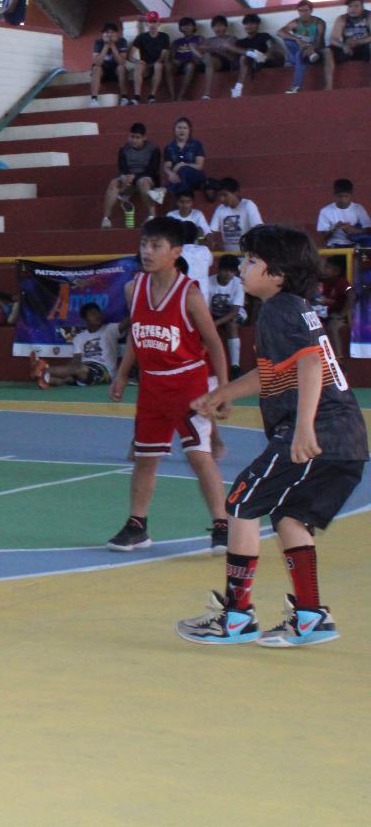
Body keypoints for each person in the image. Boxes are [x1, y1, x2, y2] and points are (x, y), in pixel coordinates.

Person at [176, 225, 366, 647]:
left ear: (276, 273)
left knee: (241, 501)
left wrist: (302, 430)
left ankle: (237, 616)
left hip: (318, 431)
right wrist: (223, 392)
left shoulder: (280, 310)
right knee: (288, 517)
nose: (242, 267)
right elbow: (274, 374)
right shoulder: (293, 309)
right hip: (346, 439)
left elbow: (312, 365)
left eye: (250, 261)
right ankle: (310, 616)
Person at [106, 217, 230, 554]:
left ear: (175, 252)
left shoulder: (188, 294)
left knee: (199, 456)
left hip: (189, 384)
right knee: (145, 457)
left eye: (155, 245)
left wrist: (222, 390)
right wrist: (121, 373)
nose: (147, 251)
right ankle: (137, 525)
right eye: (144, 244)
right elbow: (137, 333)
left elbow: (214, 343)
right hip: (152, 387)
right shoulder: (134, 289)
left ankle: (222, 524)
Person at [29, 303, 119, 388]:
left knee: (78, 370)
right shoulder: (79, 337)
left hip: (103, 370)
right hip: (83, 369)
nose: (97, 316)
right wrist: (70, 369)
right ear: (85, 319)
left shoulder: (111, 329)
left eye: (97, 313)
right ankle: (44, 377)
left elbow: (129, 322)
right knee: (69, 378)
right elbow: (76, 359)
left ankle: (43, 369)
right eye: (92, 314)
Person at [101, 122, 163, 228]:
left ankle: (152, 216)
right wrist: (124, 177)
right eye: (132, 137)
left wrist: (135, 177)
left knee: (142, 182)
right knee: (113, 183)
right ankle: (106, 219)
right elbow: (122, 168)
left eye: (137, 137)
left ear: (144, 138)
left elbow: (152, 171)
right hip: (129, 180)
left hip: (147, 179)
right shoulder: (123, 149)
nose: (134, 140)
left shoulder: (154, 149)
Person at [278, 0, 333, 94]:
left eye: (306, 10)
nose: (303, 13)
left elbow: (320, 43)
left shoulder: (319, 23)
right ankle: (305, 50)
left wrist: (311, 48)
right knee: (287, 39)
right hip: (296, 54)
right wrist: (296, 39)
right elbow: (280, 32)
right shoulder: (296, 22)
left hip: (314, 52)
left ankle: (296, 86)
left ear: (311, 11)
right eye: (300, 11)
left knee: (300, 54)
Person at [206, 254, 246, 375]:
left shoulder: (239, 283)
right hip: (214, 313)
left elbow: (234, 311)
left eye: (232, 271)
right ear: (219, 269)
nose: (228, 274)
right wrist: (209, 323)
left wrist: (216, 323)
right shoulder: (209, 282)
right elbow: (205, 308)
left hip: (235, 314)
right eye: (226, 270)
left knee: (232, 323)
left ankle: (235, 367)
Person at [231, 13, 285, 97]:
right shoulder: (241, 42)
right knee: (241, 55)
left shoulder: (264, 36)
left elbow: (272, 46)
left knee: (277, 53)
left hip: (266, 60)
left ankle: (256, 55)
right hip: (251, 63)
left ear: (258, 25)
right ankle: (238, 88)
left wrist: (265, 56)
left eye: (252, 23)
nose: (249, 26)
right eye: (246, 23)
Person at [208, 177, 263, 254]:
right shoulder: (220, 209)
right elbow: (210, 232)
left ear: (236, 193)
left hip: (247, 257)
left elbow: (258, 228)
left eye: (225, 195)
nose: (221, 199)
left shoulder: (248, 205)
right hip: (230, 257)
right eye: (220, 195)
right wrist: (211, 241)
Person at [128, 11, 173, 103]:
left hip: (157, 65)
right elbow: (130, 56)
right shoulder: (141, 37)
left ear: (158, 23)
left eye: (154, 22)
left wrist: (158, 61)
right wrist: (137, 61)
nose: (152, 24)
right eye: (150, 22)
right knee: (139, 66)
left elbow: (164, 54)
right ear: (146, 24)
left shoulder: (164, 36)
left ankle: (152, 96)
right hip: (145, 65)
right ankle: (137, 97)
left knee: (158, 65)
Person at [315, 178, 370, 248]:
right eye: (340, 196)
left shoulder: (358, 208)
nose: (343, 199)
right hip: (334, 246)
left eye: (346, 196)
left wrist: (355, 230)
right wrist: (333, 229)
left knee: (363, 256)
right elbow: (323, 238)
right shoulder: (325, 211)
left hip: (356, 245)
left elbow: (368, 229)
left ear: (351, 194)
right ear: (334, 195)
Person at [160, 117, 206, 199]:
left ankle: (164, 189)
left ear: (189, 130)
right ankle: (181, 203)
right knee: (181, 181)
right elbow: (167, 166)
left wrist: (182, 165)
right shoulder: (170, 147)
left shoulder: (196, 144)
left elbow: (199, 166)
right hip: (178, 179)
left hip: (196, 177)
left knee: (183, 170)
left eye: (185, 128)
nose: (182, 130)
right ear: (174, 130)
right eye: (179, 128)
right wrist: (171, 174)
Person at [89, 22, 133, 106]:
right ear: (103, 34)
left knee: (121, 68)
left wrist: (112, 45)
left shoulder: (122, 41)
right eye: (106, 32)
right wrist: (106, 46)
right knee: (96, 68)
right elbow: (97, 62)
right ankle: (94, 100)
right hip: (103, 71)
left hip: (116, 71)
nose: (109, 34)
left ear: (116, 33)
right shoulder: (98, 42)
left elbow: (121, 62)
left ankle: (124, 98)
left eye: (112, 32)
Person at [318, 253, 351, 363]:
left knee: (332, 326)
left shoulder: (342, 282)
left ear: (336, 271)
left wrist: (342, 314)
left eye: (327, 267)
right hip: (322, 314)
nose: (324, 269)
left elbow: (352, 295)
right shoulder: (322, 280)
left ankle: (338, 359)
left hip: (336, 316)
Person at [197, 15, 240, 99]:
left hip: (225, 62)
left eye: (220, 25)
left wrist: (215, 50)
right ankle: (202, 59)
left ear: (226, 27)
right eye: (215, 26)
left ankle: (207, 93)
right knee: (196, 47)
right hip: (208, 61)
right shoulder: (209, 40)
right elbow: (201, 50)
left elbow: (232, 58)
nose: (218, 28)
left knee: (208, 59)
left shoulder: (231, 38)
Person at [328, 0, 368, 75]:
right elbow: (333, 39)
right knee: (327, 51)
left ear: (362, 7)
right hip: (348, 48)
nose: (352, 9)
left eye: (356, 6)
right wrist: (343, 45)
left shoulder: (369, 16)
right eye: (350, 6)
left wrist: (358, 41)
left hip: (364, 48)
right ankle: (328, 86)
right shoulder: (342, 18)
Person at [170, 17, 205, 100]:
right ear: (180, 28)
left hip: (192, 62)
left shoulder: (199, 38)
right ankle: (172, 95)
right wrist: (174, 61)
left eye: (189, 25)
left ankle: (181, 95)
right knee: (168, 66)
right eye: (183, 26)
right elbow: (171, 56)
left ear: (194, 27)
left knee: (190, 66)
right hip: (178, 63)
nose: (186, 28)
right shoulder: (176, 42)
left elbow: (201, 54)